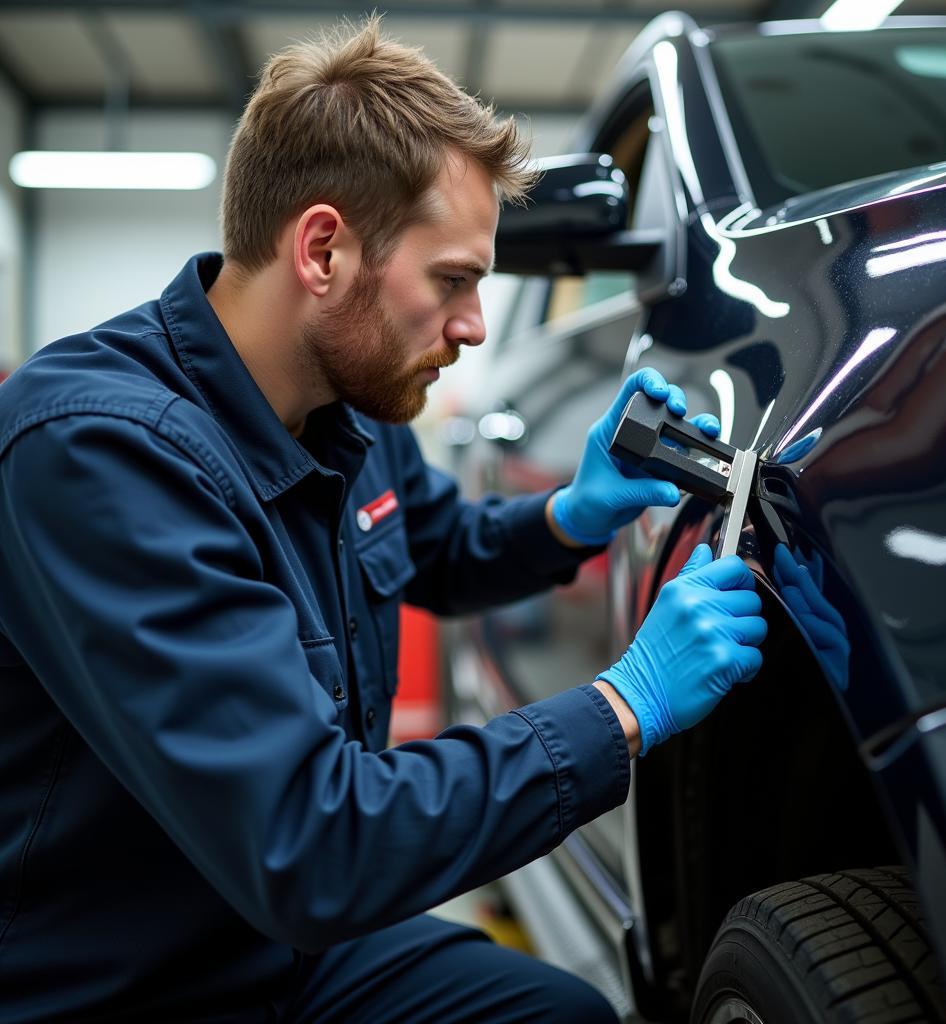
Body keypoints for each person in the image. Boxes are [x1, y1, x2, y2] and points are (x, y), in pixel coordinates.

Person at [0, 20, 766, 1024]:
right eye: (451, 280)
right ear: (323, 249)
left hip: (273, 936)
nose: (474, 326)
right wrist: (622, 706)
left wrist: (570, 517)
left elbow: (438, 553)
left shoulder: (348, 402)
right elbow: (312, 845)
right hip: (116, 977)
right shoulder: (99, 452)